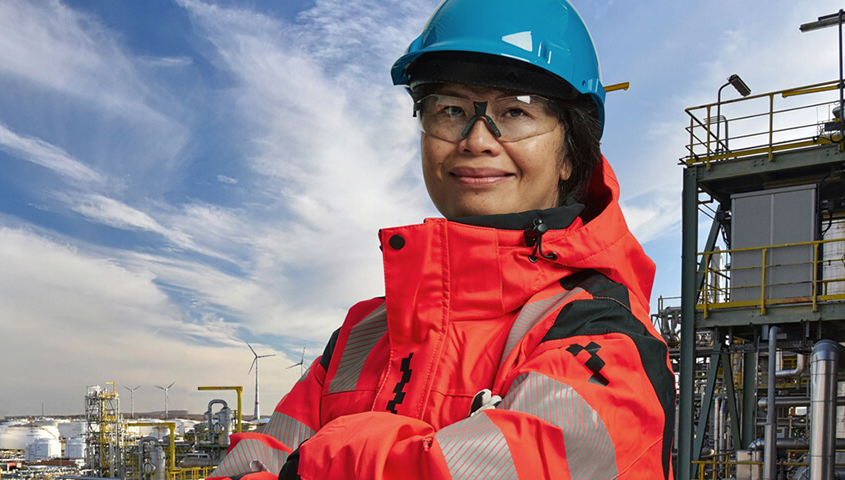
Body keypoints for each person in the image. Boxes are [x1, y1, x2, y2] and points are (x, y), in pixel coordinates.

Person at [207, 0, 671, 478]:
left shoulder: (601, 335)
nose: (476, 139)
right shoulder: (360, 335)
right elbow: (240, 467)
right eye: (450, 109)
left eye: (515, 112)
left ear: (571, 153)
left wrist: (316, 461)